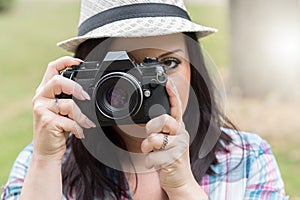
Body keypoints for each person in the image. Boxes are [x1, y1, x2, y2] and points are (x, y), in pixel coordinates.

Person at [1, 0, 288, 199]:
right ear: (86, 74)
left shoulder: (247, 159)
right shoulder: (42, 161)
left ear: (193, 67)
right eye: (123, 70)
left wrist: (183, 187)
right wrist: (46, 160)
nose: (143, 87)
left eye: (167, 63)